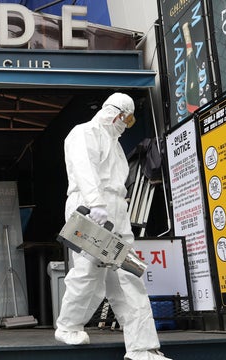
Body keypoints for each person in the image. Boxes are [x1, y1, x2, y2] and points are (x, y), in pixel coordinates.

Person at [55, 93, 170, 360]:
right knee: (88, 273)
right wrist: (96, 203)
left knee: (129, 274)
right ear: (116, 113)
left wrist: (113, 208)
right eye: (127, 119)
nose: (126, 125)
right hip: (89, 207)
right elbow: (85, 169)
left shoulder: (115, 144)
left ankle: (142, 346)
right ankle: (67, 326)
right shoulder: (83, 133)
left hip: (115, 210)